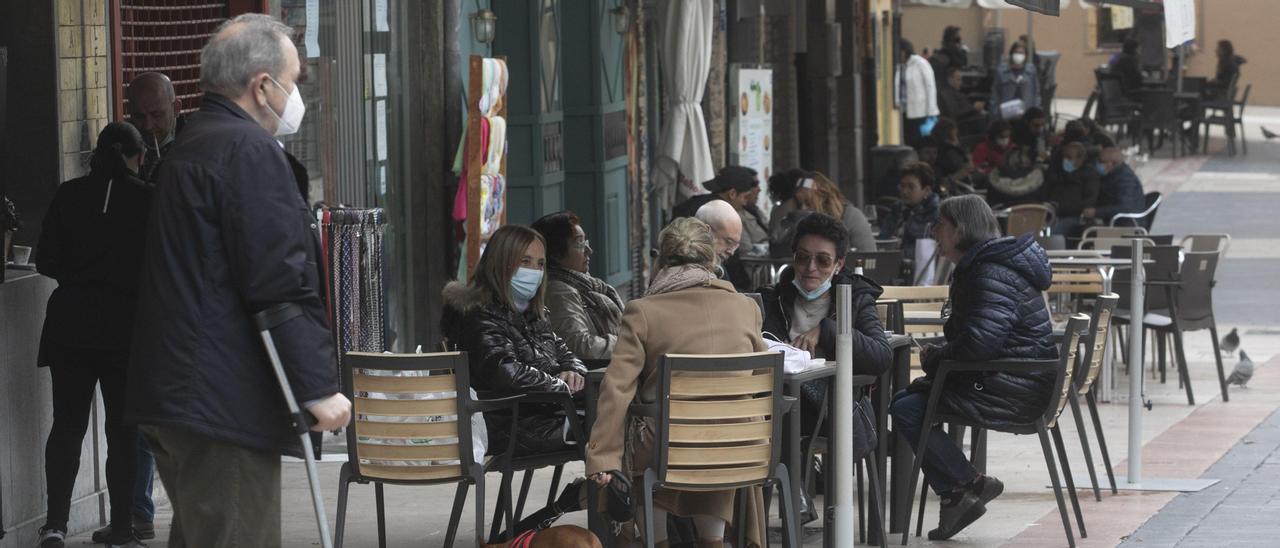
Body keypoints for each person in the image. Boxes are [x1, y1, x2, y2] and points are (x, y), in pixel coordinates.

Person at [127, 15, 351, 547]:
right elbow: (279, 281)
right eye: (293, 82)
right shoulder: (248, 152)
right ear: (262, 85)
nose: (295, 96)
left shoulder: (193, 145)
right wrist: (317, 387)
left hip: (182, 389)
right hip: (219, 397)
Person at [587, 217, 769, 547]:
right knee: (717, 428)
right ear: (712, 260)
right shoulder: (747, 308)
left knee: (645, 434)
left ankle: (657, 541)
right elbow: (757, 380)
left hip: (667, 446)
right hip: (740, 447)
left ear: (660, 259)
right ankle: (712, 541)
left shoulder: (642, 311)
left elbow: (616, 390)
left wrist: (603, 460)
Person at [890, 195, 1056, 541]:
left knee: (906, 408)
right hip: (1013, 379)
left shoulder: (987, 271)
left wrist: (936, 358)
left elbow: (980, 344)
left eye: (941, 223)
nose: (934, 231)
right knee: (910, 399)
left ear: (960, 229)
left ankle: (966, 485)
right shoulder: (989, 264)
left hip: (1014, 389)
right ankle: (960, 492)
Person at [35, 122, 150, 548]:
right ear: (137, 156)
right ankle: (122, 528)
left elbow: (45, 258)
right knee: (123, 431)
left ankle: (55, 525)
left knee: (67, 425)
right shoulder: (147, 200)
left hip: (70, 324)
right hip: (124, 328)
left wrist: (79, 276)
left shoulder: (68, 195)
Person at [442, 224, 588, 456]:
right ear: (501, 263)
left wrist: (573, 371)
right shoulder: (478, 315)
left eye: (540, 264)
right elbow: (506, 372)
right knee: (616, 432)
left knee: (619, 424)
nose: (535, 271)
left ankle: (588, 493)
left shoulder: (533, 312)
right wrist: (559, 385)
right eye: (525, 262)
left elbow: (564, 352)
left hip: (543, 414)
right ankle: (590, 494)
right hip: (506, 425)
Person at [758, 213, 891, 427]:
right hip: (776, 404)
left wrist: (828, 331)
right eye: (803, 257)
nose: (811, 267)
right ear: (793, 259)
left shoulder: (855, 298)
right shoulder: (772, 298)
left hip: (832, 411)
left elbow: (881, 356)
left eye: (822, 260)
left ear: (838, 265)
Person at [532, 211, 624, 362]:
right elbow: (580, 346)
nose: (588, 250)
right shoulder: (559, 290)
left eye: (585, 242)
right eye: (579, 244)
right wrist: (628, 344)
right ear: (555, 254)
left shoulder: (585, 285)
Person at [793, 171, 878, 252]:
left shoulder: (851, 217)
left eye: (808, 203)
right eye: (799, 203)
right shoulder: (801, 223)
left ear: (824, 200)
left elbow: (869, 256)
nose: (803, 208)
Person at [126, 72, 184, 182]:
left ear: (176, 108)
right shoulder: (123, 145)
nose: (148, 126)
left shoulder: (192, 147)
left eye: (157, 115)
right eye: (139, 116)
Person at [879, 161, 941, 250]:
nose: (904, 191)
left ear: (926, 190)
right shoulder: (897, 209)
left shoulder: (937, 213)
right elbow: (883, 239)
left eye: (911, 187)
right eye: (902, 186)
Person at [1044, 142, 1100, 236]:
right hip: (1051, 214)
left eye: (1069, 157)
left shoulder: (1090, 175)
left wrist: (1060, 208)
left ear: (1080, 159)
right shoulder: (1058, 173)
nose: (1065, 160)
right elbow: (1048, 191)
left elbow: (1089, 201)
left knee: (1053, 233)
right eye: (1064, 157)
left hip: (1075, 217)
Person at [695, 199, 752, 290]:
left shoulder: (719, 267)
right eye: (728, 241)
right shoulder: (685, 269)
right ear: (705, 231)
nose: (731, 252)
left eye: (736, 245)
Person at [1083, 146, 1145, 226]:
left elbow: (1124, 208)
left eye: (1101, 161)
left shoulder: (1125, 178)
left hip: (1126, 224)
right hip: (1115, 221)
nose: (1097, 163)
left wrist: (1096, 212)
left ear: (1113, 163)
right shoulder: (1111, 175)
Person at [670, 165, 758, 220]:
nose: (745, 203)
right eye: (745, 197)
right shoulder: (721, 215)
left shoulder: (694, 202)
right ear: (732, 194)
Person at [900, 39, 940, 148]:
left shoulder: (920, 63)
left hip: (920, 111)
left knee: (917, 139)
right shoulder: (901, 66)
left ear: (904, 52)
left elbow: (930, 87)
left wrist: (931, 111)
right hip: (904, 109)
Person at [990, 41, 1040, 122]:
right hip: (1006, 113)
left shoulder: (1031, 71)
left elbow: (1036, 93)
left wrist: (1036, 112)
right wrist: (995, 112)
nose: (1019, 55)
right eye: (1016, 52)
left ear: (1026, 55)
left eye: (1021, 53)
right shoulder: (1001, 71)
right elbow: (995, 93)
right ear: (1011, 53)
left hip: (1026, 114)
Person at [938, 67, 986, 137]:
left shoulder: (953, 92)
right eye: (958, 79)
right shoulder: (946, 94)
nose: (961, 82)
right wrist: (973, 108)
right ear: (950, 80)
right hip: (964, 125)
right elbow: (954, 112)